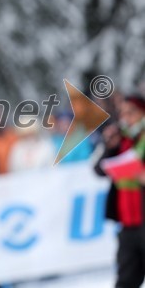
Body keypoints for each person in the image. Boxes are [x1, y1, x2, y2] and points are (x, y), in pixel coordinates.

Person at [94, 94, 145, 288]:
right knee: (126, 280)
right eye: (123, 113)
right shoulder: (121, 140)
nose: (127, 118)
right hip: (128, 225)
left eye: (132, 113)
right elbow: (98, 169)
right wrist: (110, 147)